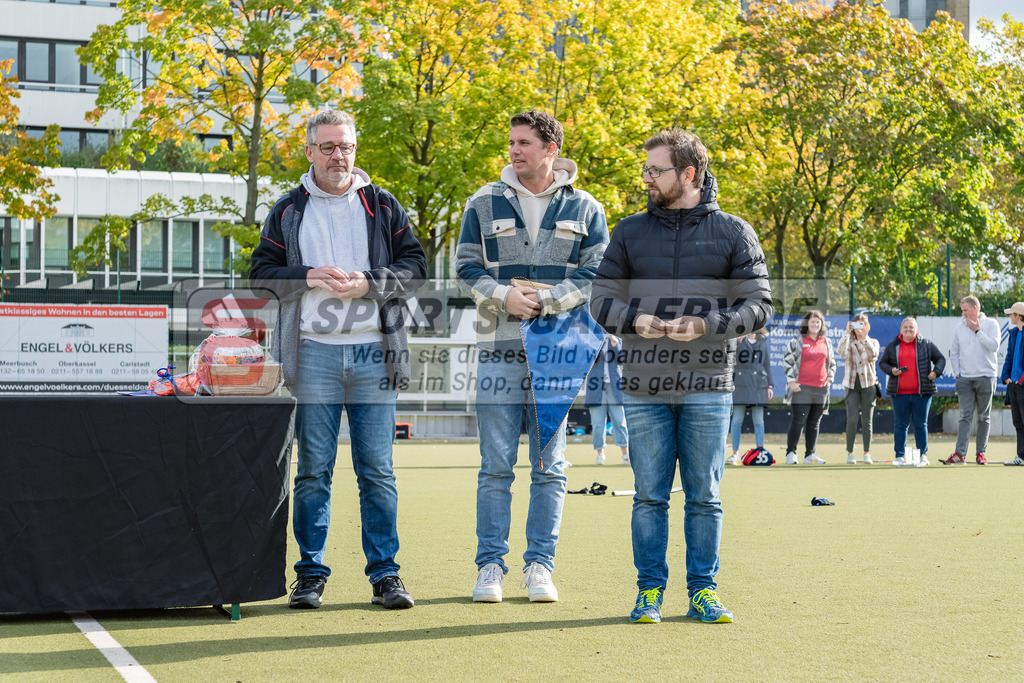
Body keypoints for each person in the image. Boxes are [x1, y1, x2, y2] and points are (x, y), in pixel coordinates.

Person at [591, 128, 773, 625]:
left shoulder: (735, 232)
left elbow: (759, 306)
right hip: (643, 387)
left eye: (657, 170)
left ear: (688, 174)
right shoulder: (628, 232)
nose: (647, 178)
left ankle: (703, 592)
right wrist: (634, 321)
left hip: (708, 384)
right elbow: (600, 300)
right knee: (649, 496)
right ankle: (649, 591)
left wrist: (706, 325)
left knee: (705, 497)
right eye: (646, 169)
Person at [250, 110, 426, 610]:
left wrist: (370, 283)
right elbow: (260, 274)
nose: (338, 156)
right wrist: (305, 276)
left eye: (345, 146)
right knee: (313, 472)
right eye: (327, 147)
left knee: (377, 473)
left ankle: (386, 576)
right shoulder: (287, 209)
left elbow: (415, 268)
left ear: (354, 148)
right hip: (312, 357)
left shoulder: (383, 204)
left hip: (376, 354)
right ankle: (309, 576)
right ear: (309, 152)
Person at [456, 110, 609, 603]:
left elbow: (598, 272)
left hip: (557, 355)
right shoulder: (483, 201)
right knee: (495, 466)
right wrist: (503, 296)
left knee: (550, 465)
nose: (515, 150)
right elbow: (464, 265)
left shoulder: (586, 207)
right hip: (499, 350)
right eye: (511, 142)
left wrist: (547, 301)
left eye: (524, 142)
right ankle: (490, 568)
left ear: (550, 148)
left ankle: (540, 565)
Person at [878, 317, 945, 466]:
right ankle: (899, 456)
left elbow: (940, 359)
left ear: (916, 330)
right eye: (906, 327)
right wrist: (891, 370)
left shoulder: (926, 344)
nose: (908, 330)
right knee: (900, 425)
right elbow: (882, 363)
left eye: (911, 328)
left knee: (921, 424)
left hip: (922, 393)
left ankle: (923, 455)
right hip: (899, 393)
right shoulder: (893, 346)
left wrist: (936, 372)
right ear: (901, 329)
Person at [943, 295, 1000, 465]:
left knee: (984, 417)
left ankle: (980, 454)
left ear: (975, 309)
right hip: (965, 380)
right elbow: (953, 352)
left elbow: (994, 346)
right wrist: (957, 373)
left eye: (965, 310)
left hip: (986, 377)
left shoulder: (991, 324)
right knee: (964, 416)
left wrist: (977, 331)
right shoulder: (959, 327)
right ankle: (960, 454)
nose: (963, 314)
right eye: (962, 311)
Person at [782, 310, 835, 465]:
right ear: (806, 324)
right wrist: (792, 381)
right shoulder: (797, 340)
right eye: (812, 321)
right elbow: (787, 361)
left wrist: (830, 378)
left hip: (821, 389)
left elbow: (832, 364)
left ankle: (809, 455)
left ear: (821, 324)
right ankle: (791, 453)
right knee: (798, 420)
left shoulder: (827, 342)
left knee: (814, 422)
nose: (815, 324)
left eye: (818, 322)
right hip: (802, 388)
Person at [837, 313, 880, 465]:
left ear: (867, 326)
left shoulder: (873, 341)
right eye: (856, 325)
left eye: (862, 325)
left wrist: (864, 337)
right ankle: (850, 452)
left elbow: (873, 355)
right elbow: (841, 352)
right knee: (852, 419)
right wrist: (847, 333)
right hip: (851, 384)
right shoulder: (849, 341)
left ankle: (867, 453)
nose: (859, 328)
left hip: (868, 384)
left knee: (867, 420)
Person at [727, 330, 773, 464]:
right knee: (736, 420)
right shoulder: (738, 341)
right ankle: (735, 453)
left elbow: (767, 365)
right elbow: (731, 359)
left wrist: (770, 386)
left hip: (759, 385)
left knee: (759, 420)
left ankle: (760, 451)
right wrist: (738, 341)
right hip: (741, 384)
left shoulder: (763, 342)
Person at [585, 335, 629, 465]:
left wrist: (616, 345)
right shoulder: (591, 339)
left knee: (620, 422)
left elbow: (622, 360)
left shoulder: (617, 340)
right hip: (595, 388)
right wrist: (597, 342)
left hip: (615, 388)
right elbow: (588, 360)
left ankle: (625, 455)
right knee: (598, 424)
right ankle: (600, 454)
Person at [1000, 302, 1024, 466]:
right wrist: (1006, 377)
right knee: (1018, 422)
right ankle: (1021, 456)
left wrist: (1021, 380)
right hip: (1013, 386)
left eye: (1012, 314)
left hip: (1022, 385)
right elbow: (1009, 357)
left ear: (1018, 316)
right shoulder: (1014, 333)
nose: (1010, 316)